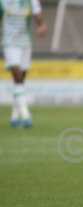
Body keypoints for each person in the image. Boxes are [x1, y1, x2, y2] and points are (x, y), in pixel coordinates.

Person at [0, 0, 47, 128]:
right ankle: (26, 115)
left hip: (25, 43)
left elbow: (38, 16)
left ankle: (14, 116)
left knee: (20, 81)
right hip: (9, 43)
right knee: (18, 77)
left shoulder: (31, 1)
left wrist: (41, 26)